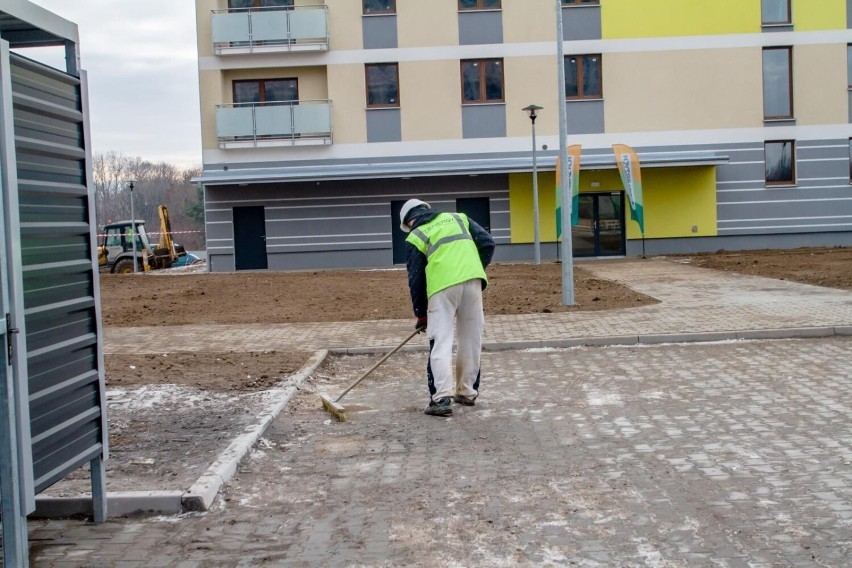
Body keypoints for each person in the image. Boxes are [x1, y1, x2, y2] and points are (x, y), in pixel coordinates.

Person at [399, 198, 495, 417]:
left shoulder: (415, 235)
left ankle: (441, 399)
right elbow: (487, 243)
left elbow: (416, 280)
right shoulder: (458, 218)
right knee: (471, 338)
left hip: (442, 288)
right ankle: (467, 392)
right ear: (426, 209)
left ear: (409, 221)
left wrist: (421, 314)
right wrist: (473, 269)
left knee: (440, 341)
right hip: (473, 281)